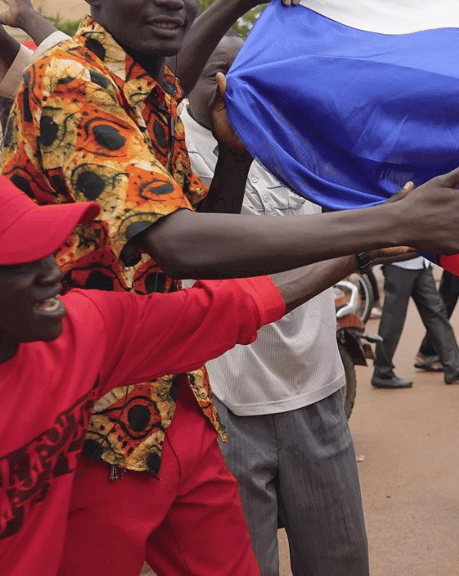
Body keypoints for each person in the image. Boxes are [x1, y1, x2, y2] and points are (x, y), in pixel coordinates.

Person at [0, 0, 459, 576]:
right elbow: (174, 241)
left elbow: (181, 105)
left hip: (177, 399)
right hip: (91, 422)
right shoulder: (68, 80)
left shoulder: (143, 84)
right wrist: (388, 223)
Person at [0, 169, 389, 575]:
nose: (53, 269)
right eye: (20, 260)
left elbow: (226, 308)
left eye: (49, 248)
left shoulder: (80, 335)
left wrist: (360, 252)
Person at [182, 34, 368, 576]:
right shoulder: (168, 143)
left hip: (317, 389)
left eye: (246, 73)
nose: (229, 84)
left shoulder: (296, 144)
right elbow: (209, 254)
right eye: (217, 71)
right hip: (227, 403)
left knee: (340, 562)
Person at [371, 258, 459, 388]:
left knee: (436, 313)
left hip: (421, 264)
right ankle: (382, 372)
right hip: (399, 265)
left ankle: (454, 366)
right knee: (393, 319)